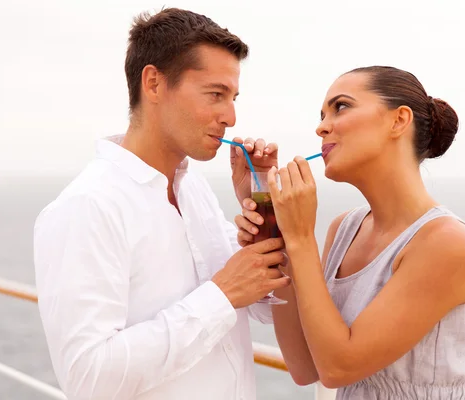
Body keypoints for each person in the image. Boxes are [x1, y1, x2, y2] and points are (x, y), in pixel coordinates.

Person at [33, 8, 290, 400]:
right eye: (215, 94)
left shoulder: (195, 191)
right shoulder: (87, 207)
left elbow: (264, 307)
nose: (232, 117)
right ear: (153, 83)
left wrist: (264, 204)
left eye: (233, 97)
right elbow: (88, 380)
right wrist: (220, 296)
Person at [236, 66, 465, 399]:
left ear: (399, 121)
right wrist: (274, 228)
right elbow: (305, 366)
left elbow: (339, 368)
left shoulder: (447, 243)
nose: (321, 126)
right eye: (322, 114)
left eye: (340, 107)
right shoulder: (344, 229)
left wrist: (300, 238)